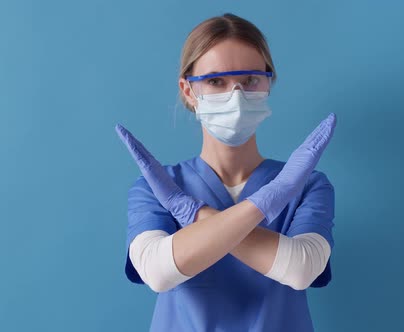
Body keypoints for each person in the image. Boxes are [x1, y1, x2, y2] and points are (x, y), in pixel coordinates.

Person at [115, 13, 337, 332]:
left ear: (268, 82)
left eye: (250, 80)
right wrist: (265, 202)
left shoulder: (307, 185)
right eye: (216, 81)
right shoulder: (153, 187)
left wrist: (191, 213)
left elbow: (301, 269)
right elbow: (158, 272)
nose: (236, 96)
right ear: (189, 91)